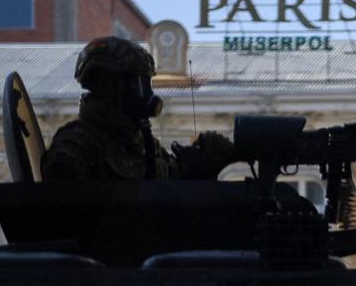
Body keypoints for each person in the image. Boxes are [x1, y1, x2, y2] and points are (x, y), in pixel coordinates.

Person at [42, 36, 232, 182]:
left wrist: (201, 158)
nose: (148, 94)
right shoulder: (77, 143)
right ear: (113, 87)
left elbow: (166, 177)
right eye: (141, 84)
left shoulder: (139, 142)